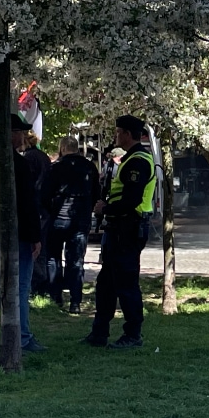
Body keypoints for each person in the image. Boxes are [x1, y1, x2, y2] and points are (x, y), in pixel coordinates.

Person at [0, 114, 46, 352]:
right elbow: (28, 204)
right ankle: (22, 337)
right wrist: (35, 237)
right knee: (20, 286)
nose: (23, 136)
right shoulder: (18, 164)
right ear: (10, 133)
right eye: (19, 132)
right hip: (18, 236)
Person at [83, 115, 156, 350]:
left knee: (126, 283)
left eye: (117, 132)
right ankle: (99, 332)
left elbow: (132, 199)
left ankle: (133, 333)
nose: (115, 137)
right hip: (118, 229)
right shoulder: (128, 160)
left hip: (128, 227)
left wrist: (106, 207)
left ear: (126, 134)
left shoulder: (138, 161)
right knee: (106, 283)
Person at [44, 136, 100, 314]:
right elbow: (97, 193)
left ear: (62, 148)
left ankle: (55, 296)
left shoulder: (56, 167)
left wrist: (50, 211)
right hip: (80, 220)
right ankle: (75, 301)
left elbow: (44, 194)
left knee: (53, 258)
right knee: (76, 260)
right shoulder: (90, 167)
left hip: (58, 218)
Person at [22, 130, 52, 298]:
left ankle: (35, 283)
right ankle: (43, 284)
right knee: (43, 246)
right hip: (45, 207)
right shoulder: (44, 157)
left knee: (33, 247)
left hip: (35, 206)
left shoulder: (28, 159)